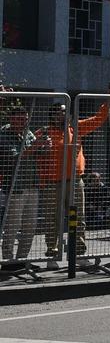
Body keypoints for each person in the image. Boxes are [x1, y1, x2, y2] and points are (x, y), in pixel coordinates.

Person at [37, 99, 110, 258]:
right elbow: (34, 156)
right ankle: (52, 250)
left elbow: (98, 119)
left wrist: (108, 102)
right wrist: (42, 149)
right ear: (51, 116)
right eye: (58, 113)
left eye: (64, 112)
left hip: (75, 181)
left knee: (77, 216)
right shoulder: (43, 132)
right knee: (52, 218)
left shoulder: (75, 128)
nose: (62, 115)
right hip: (52, 182)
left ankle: (78, 250)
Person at [0, 107, 39, 262]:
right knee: (12, 225)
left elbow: (37, 151)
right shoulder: (3, 134)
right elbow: (14, 157)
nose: (23, 121)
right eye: (20, 118)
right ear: (11, 118)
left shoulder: (28, 133)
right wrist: (35, 147)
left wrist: (44, 146)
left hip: (32, 185)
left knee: (30, 226)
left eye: (25, 118)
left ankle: (22, 259)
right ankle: (8, 260)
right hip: (16, 187)